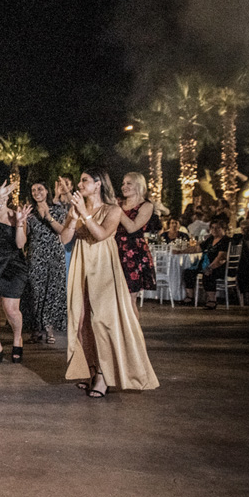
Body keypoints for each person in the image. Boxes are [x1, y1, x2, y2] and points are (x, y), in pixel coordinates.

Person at [60, 169, 159, 398]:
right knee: (81, 319)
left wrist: (84, 213)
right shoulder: (78, 208)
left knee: (101, 320)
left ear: (98, 184)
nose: (80, 184)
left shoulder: (113, 209)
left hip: (103, 264)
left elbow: (102, 234)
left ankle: (104, 375)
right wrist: (73, 218)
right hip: (81, 263)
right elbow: (65, 239)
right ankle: (90, 369)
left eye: (84, 180)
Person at [0, 183, 30, 364]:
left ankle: (17, 339)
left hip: (14, 264)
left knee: (11, 309)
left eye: (0, 194)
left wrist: (20, 223)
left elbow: (20, 244)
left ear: (7, 196)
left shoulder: (16, 215)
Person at [24, 181, 67, 345]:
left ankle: (49, 329)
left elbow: (62, 231)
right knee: (35, 292)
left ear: (47, 191)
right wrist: (22, 221)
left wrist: (48, 217)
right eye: (33, 190)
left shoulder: (57, 210)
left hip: (55, 254)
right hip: (36, 255)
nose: (36, 192)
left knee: (52, 291)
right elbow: (25, 235)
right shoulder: (30, 212)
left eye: (40, 189)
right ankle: (36, 329)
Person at [116, 172, 157, 314]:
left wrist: (117, 210)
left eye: (129, 183)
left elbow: (132, 228)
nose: (124, 186)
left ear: (139, 186)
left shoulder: (146, 206)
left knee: (129, 299)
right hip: (115, 250)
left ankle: (133, 328)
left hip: (133, 253)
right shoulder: (118, 203)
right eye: (123, 183)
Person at [182, 216, 231, 309]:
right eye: (212, 227)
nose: (214, 230)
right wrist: (181, 251)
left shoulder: (225, 240)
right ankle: (190, 297)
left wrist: (210, 267)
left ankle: (212, 300)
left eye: (217, 228)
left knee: (208, 274)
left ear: (223, 229)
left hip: (220, 267)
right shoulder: (210, 239)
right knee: (188, 272)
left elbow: (221, 258)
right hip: (206, 263)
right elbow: (198, 248)